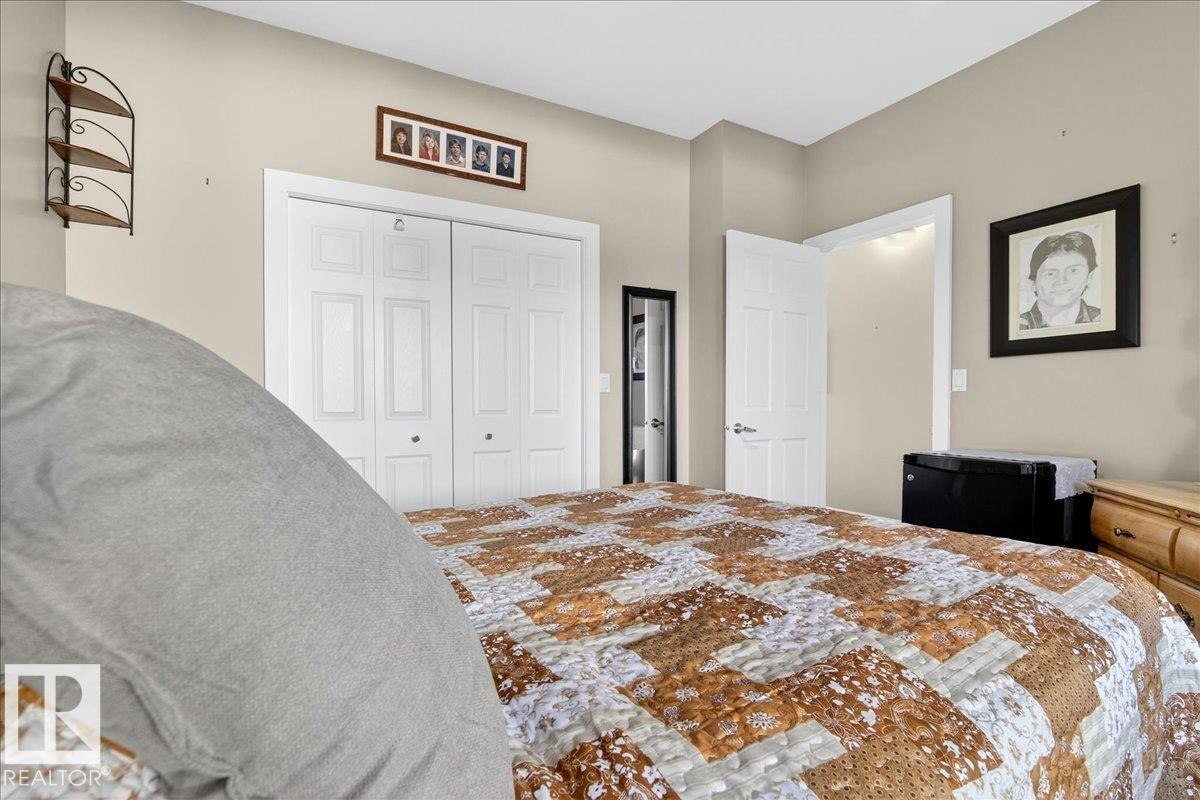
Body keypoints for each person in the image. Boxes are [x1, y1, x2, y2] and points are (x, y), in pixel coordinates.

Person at [1019, 231, 1101, 329]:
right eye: (1050, 273)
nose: (1061, 281)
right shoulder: (1017, 326)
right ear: (1033, 282)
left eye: (1073, 271)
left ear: (1089, 276)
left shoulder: (1103, 320)